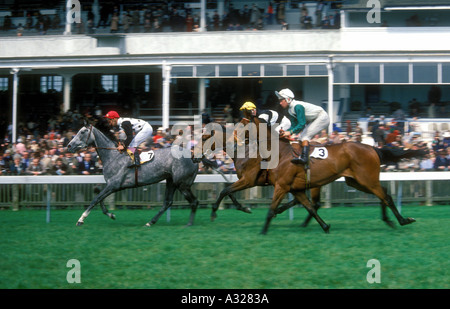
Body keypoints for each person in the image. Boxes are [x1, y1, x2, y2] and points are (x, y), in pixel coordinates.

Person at [276, 88, 330, 164]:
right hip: (315, 119)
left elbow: (302, 124)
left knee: (305, 137)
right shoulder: (290, 110)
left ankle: (304, 159)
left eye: (281, 100)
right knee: (301, 137)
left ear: (288, 99)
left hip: (322, 117)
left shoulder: (297, 106)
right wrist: (287, 132)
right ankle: (304, 155)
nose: (280, 103)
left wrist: (290, 132)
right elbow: (295, 125)